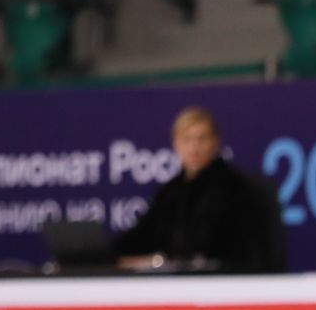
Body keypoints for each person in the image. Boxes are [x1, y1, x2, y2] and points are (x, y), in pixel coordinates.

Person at [114, 107, 284, 271]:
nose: (194, 148)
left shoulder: (236, 190)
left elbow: (222, 250)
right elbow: (140, 237)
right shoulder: (169, 193)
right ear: (176, 144)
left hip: (219, 284)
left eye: (202, 139)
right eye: (187, 139)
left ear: (215, 142)